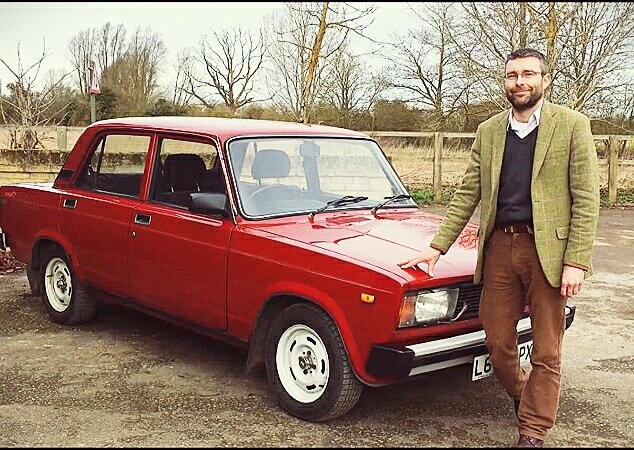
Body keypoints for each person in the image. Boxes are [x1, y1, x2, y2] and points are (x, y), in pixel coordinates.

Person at [398, 48, 599, 448]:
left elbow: (586, 197)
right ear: (505, 82)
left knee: (546, 347)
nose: (519, 82)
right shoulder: (489, 131)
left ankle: (533, 431)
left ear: (544, 80)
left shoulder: (572, 125)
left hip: (550, 254)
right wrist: (437, 248)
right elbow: (468, 192)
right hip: (500, 250)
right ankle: (527, 397)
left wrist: (576, 260)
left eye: (528, 74)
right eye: (512, 75)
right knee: (497, 341)